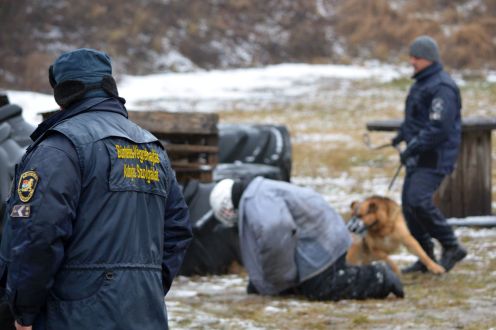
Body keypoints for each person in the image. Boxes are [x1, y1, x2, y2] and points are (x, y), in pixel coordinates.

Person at [0, 48, 192, 330]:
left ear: (63, 93)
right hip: (144, 313)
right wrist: (142, 284)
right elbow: (178, 229)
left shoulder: (58, 148)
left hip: (71, 316)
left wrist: (23, 310)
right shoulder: (151, 147)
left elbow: (39, 235)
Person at [209, 177, 404, 301]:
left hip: (321, 237)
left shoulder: (256, 202)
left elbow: (275, 239)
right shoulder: (257, 195)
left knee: (321, 287)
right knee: (315, 283)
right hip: (320, 232)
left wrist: (277, 283)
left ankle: (379, 277)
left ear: (227, 210)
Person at [391, 36, 467, 274]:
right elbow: (415, 118)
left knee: (418, 201)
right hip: (419, 155)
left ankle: (452, 246)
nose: (411, 61)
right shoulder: (422, 83)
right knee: (409, 207)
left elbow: (438, 128)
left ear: (429, 59)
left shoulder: (442, 87)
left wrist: (413, 146)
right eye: (411, 56)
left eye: (417, 57)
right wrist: (402, 135)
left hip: (435, 156)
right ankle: (426, 257)